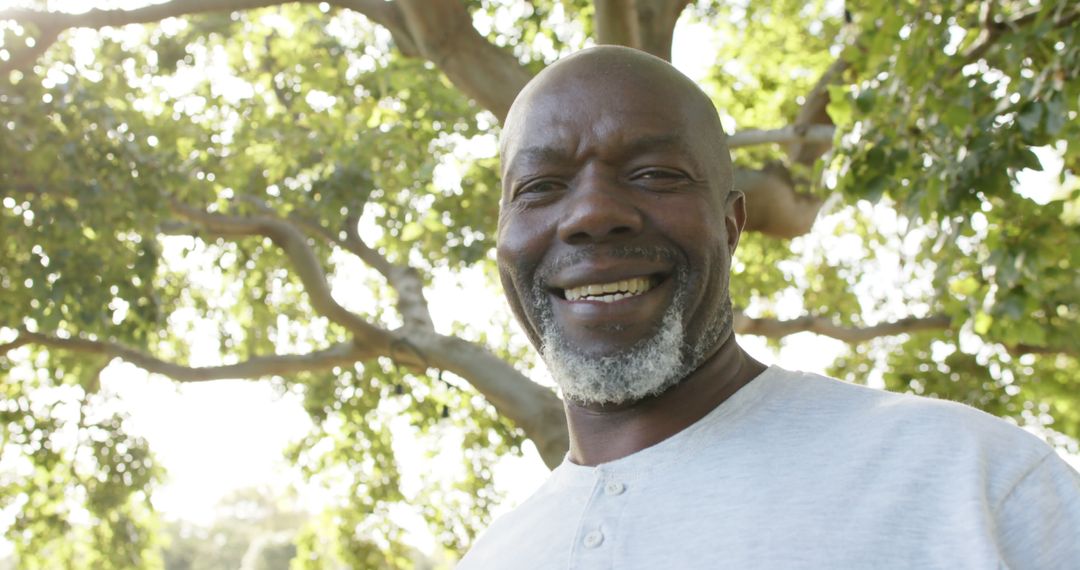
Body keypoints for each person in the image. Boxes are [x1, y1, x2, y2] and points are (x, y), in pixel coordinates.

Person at [457, 46, 1080, 569]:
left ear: (730, 226)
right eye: (540, 187)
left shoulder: (969, 477)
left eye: (654, 174)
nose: (593, 215)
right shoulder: (493, 557)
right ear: (504, 241)